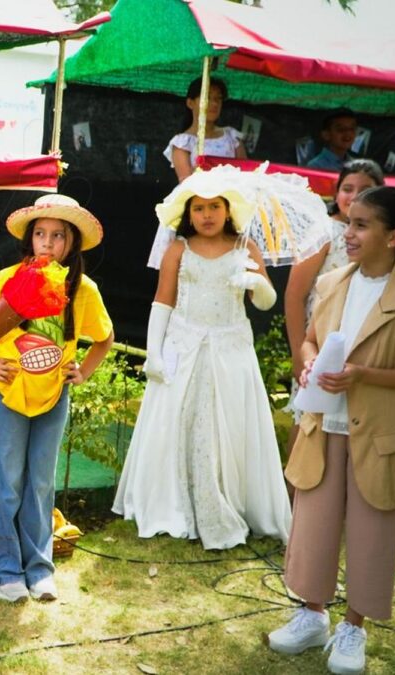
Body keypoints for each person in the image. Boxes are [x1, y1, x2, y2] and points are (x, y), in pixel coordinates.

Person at [267, 187, 395, 675]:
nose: (348, 233)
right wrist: (308, 361)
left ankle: (353, 627)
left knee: (372, 531)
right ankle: (312, 615)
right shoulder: (334, 281)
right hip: (324, 425)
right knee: (313, 526)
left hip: (378, 436)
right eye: (348, 222)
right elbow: (311, 339)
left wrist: (363, 376)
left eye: (361, 225)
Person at [113, 166, 292, 550]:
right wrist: (154, 352)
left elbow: (266, 302)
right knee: (179, 422)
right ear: (187, 213)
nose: (207, 215)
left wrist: (257, 284)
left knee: (228, 425)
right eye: (199, 208)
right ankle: (176, 503)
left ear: (227, 210)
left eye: (214, 206)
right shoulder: (178, 249)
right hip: (184, 343)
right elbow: (163, 299)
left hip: (231, 349)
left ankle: (230, 501)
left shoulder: (247, 248)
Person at [0, 194, 114, 602]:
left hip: (54, 396)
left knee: (41, 482)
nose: (48, 242)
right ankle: (5, 570)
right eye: (40, 234)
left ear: (72, 243)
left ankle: (39, 568)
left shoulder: (83, 289)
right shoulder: (11, 279)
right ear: (30, 240)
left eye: (58, 236)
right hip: (11, 394)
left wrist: (85, 370)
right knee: (9, 483)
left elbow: (104, 337)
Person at [284, 160, 385, 456]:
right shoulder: (324, 232)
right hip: (319, 344)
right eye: (347, 188)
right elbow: (294, 294)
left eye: (366, 190)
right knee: (308, 420)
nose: (355, 196)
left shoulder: (385, 239)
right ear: (336, 192)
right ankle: (296, 496)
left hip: (363, 347)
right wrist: (297, 351)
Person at [163, 77, 246, 182]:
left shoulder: (232, 137)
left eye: (218, 99)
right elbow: (186, 184)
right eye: (207, 98)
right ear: (190, 103)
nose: (214, 104)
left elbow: (245, 175)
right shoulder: (182, 143)